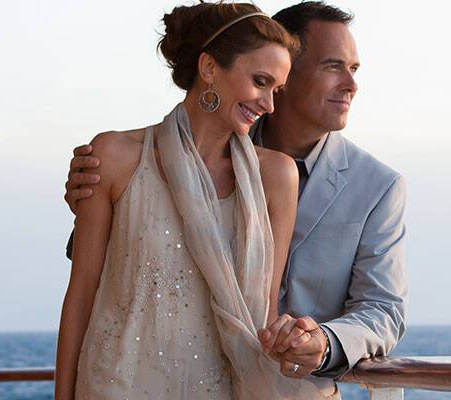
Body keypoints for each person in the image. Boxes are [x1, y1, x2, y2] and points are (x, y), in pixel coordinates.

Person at [64, 1, 408, 383]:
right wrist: (87, 206)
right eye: (333, 66)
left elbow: (383, 309)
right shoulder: (159, 150)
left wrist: (324, 344)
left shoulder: (377, 187)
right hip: (127, 375)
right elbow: (125, 259)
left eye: (354, 69)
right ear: (287, 71)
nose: (351, 85)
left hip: (270, 385)